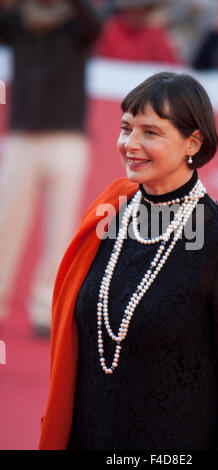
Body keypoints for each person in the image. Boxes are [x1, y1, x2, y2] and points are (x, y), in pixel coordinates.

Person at [39, 71, 218, 450]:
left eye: (151, 133)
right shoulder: (109, 215)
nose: (130, 144)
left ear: (193, 142)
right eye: (126, 128)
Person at [0, 0, 102, 337]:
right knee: (5, 224)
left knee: (60, 229)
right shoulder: (16, 21)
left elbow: (93, 24)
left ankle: (46, 309)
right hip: (21, 137)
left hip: (68, 138)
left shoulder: (78, 23)